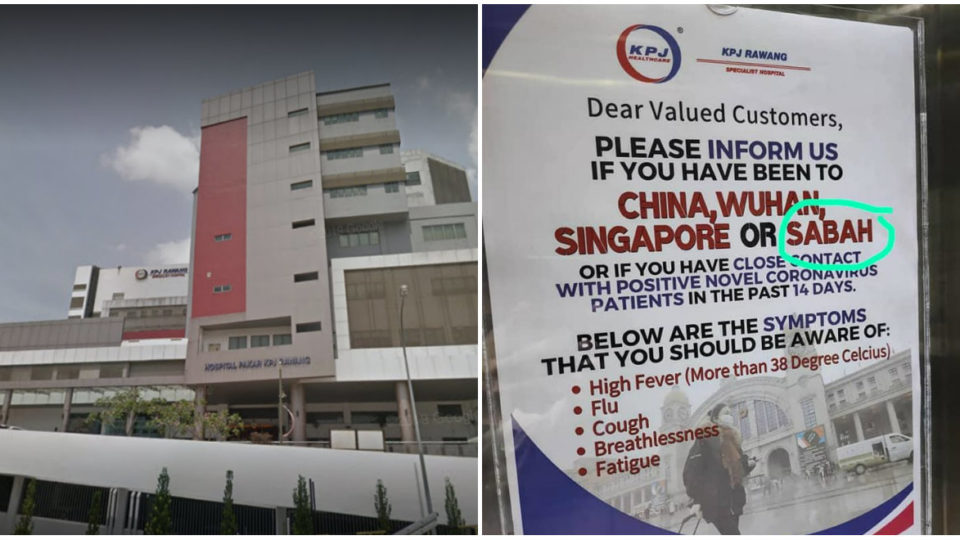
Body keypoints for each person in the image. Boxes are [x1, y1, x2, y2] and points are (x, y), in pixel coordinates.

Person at [682, 403, 755, 535]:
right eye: (725, 413)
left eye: (730, 413)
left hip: (733, 501)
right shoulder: (705, 438)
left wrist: (748, 465)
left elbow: (736, 470)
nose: (730, 416)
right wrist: (696, 500)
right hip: (715, 502)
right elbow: (692, 471)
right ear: (715, 418)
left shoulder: (732, 440)